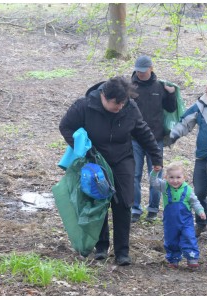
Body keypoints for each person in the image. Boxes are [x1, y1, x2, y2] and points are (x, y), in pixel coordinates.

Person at [59, 76, 162, 266]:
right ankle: (101, 247)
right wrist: (83, 149)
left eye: (123, 103)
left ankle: (122, 251)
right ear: (104, 97)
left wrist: (156, 157)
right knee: (99, 200)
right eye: (116, 103)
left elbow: (142, 130)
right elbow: (65, 126)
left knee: (124, 202)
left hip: (123, 158)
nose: (120, 107)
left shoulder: (129, 107)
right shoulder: (84, 106)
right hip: (95, 159)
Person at [168, 78, 207, 242]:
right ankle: (201, 222)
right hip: (203, 156)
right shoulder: (201, 106)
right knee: (199, 192)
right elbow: (185, 123)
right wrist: (173, 135)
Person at [131, 55, 177, 223]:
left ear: (151, 68)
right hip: (135, 139)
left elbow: (171, 108)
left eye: (143, 71)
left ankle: (152, 209)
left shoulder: (160, 87)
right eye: (138, 71)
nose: (141, 74)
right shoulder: (131, 87)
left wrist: (171, 94)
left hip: (155, 138)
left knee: (155, 175)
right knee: (134, 175)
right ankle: (135, 208)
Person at [150, 161, 206, 269]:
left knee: (189, 237)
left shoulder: (188, 190)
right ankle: (173, 259)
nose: (175, 180)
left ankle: (192, 258)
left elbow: (195, 202)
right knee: (171, 239)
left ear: (184, 177)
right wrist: (155, 172)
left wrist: (200, 211)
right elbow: (153, 182)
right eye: (171, 177)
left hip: (186, 222)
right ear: (166, 177)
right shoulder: (164, 186)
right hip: (170, 222)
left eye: (178, 177)